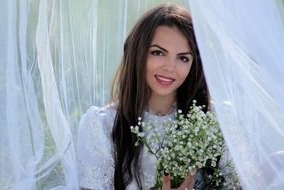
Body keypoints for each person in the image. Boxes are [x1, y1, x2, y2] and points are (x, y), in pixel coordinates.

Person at [77, 3, 210, 189]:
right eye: (158, 52)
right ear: (138, 53)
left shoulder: (211, 124)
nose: (170, 67)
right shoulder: (101, 125)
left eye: (183, 58)